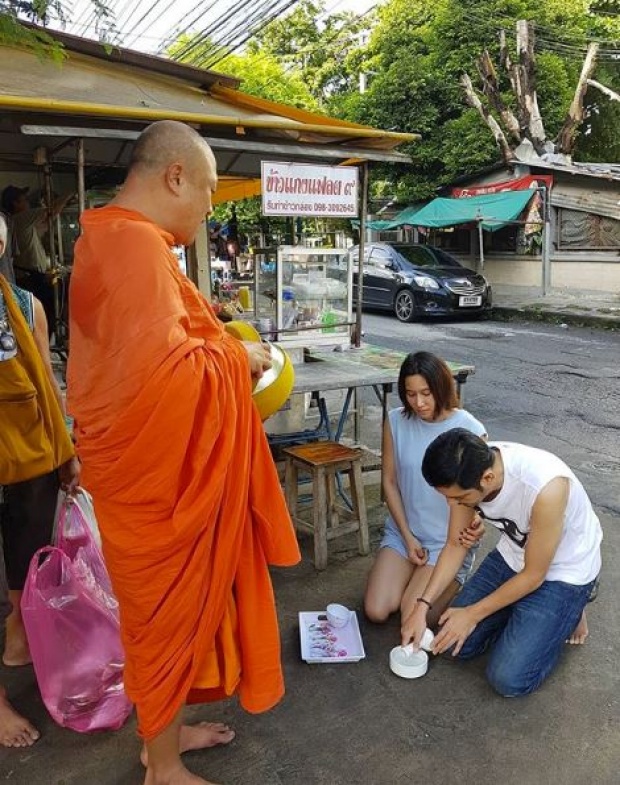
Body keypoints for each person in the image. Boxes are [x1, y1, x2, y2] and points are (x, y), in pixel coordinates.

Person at [67, 120, 301, 785]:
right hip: (153, 490)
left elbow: (146, 355)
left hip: (138, 476)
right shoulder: (136, 248)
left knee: (160, 623)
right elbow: (167, 379)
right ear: (174, 176)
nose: (207, 210)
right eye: (205, 194)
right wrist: (239, 354)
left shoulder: (114, 240)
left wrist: (216, 335)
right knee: (160, 626)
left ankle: (163, 737)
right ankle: (160, 764)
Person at [402, 428, 602, 697]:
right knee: (448, 643)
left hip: (563, 570)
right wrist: (421, 608)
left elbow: (534, 575)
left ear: (488, 478)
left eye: (459, 498)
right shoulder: (471, 466)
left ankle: (572, 607)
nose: (452, 504)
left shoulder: (546, 488)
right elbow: (455, 544)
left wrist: (473, 613)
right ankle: (526, 612)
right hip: (515, 554)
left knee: (508, 679)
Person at [0, 214, 79, 746]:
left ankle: (18, 638)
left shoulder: (26, 305)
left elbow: (48, 384)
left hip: (31, 457)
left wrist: (68, 453)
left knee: (28, 564)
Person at [364, 352, 487, 628]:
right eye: (410, 394)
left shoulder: (469, 428)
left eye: (426, 393)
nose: (418, 403)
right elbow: (390, 482)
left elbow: (480, 491)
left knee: (413, 615)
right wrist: (407, 538)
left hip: (447, 541)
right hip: (404, 532)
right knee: (376, 610)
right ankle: (407, 575)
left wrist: (479, 520)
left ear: (442, 387)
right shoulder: (396, 421)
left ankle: (456, 575)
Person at [1, 185, 73, 337]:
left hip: (30, 276)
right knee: (46, 314)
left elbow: (49, 218)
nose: (27, 203)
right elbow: (52, 210)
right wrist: (70, 193)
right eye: (24, 200)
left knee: (44, 314)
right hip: (31, 278)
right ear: (15, 203)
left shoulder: (19, 222)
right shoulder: (22, 218)